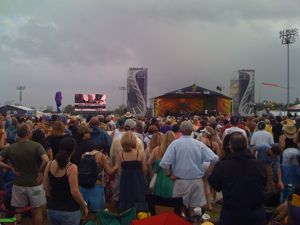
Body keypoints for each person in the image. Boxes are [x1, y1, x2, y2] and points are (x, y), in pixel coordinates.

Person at [159, 121, 219, 216]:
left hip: (181, 182)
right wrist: (206, 173)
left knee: (179, 211)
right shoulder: (199, 144)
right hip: (196, 182)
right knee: (194, 212)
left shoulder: (175, 144)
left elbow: (164, 164)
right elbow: (215, 158)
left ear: (181, 130)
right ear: (192, 130)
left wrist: (169, 175)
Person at [208, 132, 267, 225]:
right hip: (255, 214)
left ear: (230, 146)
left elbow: (214, 185)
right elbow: (264, 185)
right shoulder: (259, 165)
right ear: (246, 145)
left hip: (232, 214)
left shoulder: (223, 166)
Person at [0, 124, 49, 225]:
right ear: (28, 133)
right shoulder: (36, 146)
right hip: (34, 184)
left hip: (18, 184)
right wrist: (40, 171)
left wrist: (10, 168)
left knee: (18, 210)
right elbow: (46, 159)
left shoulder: (11, 147)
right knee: (38, 210)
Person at [43, 137, 88, 225]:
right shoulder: (72, 168)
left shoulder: (49, 164)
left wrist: (52, 200)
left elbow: (46, 187)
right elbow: (74, 192)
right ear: (73, 150)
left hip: (52, 209)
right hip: (69, 211)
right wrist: (84, 205)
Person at [116, 131, 148, 212]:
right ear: (134, 141)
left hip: (126, 181)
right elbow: (144, 169)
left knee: (126, 199)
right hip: (138, 180)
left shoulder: (120, 154)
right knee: (139, 199)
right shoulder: (140, 153)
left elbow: (119, 170)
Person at [147, 131, 175, 198]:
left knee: (159, 201)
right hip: (171, 178)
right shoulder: (174, 150)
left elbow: (148, 163)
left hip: (158, 178)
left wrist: (152, 173)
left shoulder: (157, 149)